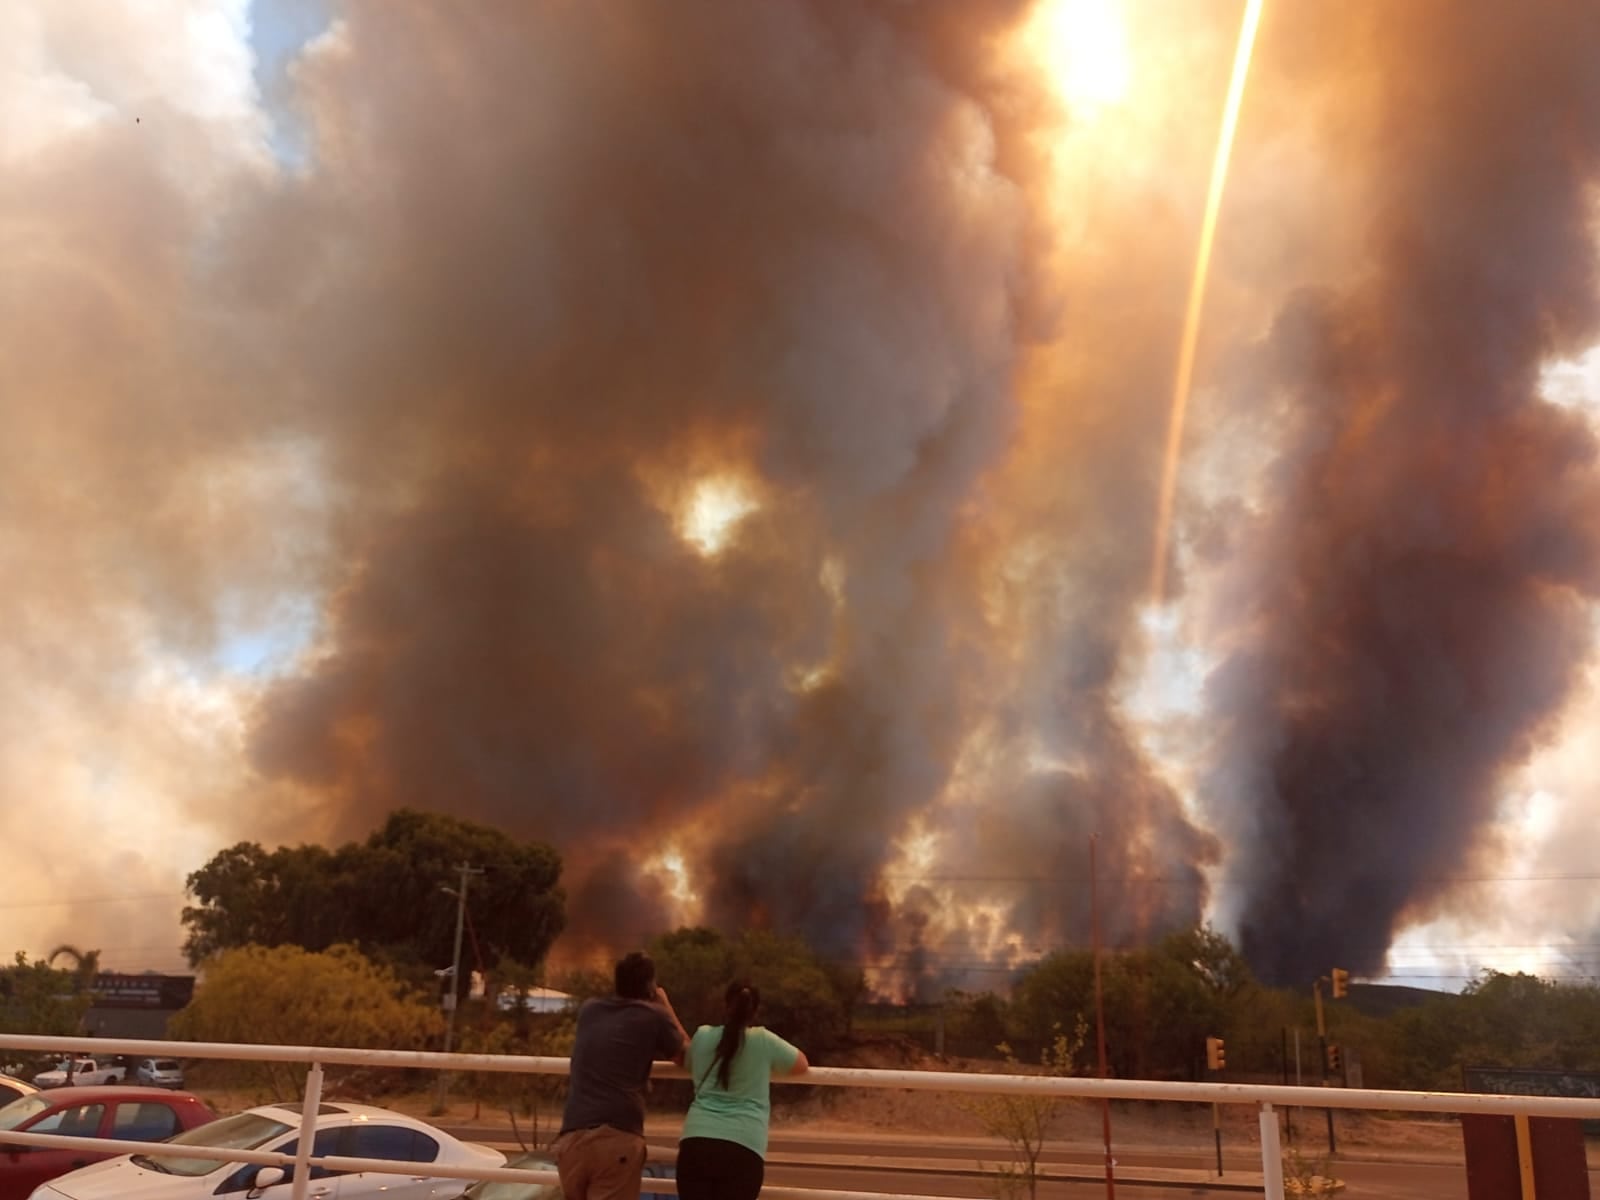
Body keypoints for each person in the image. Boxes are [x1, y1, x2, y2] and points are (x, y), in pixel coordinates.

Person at [554, 951, 688, 1200]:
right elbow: (687, 1057)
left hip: (572, 1139)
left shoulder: (589, 1010)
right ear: (650, 986)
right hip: (616, 1139)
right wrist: (664, 1003)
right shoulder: (653, 1016)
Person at [676, 981, 809, 1200]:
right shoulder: (763, 1040)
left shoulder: (702, 1035)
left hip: (697, 1141)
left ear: (724, 1006)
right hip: (744, 1146)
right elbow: (801, 1064)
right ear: (755, 1011)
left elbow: (688, 1058)